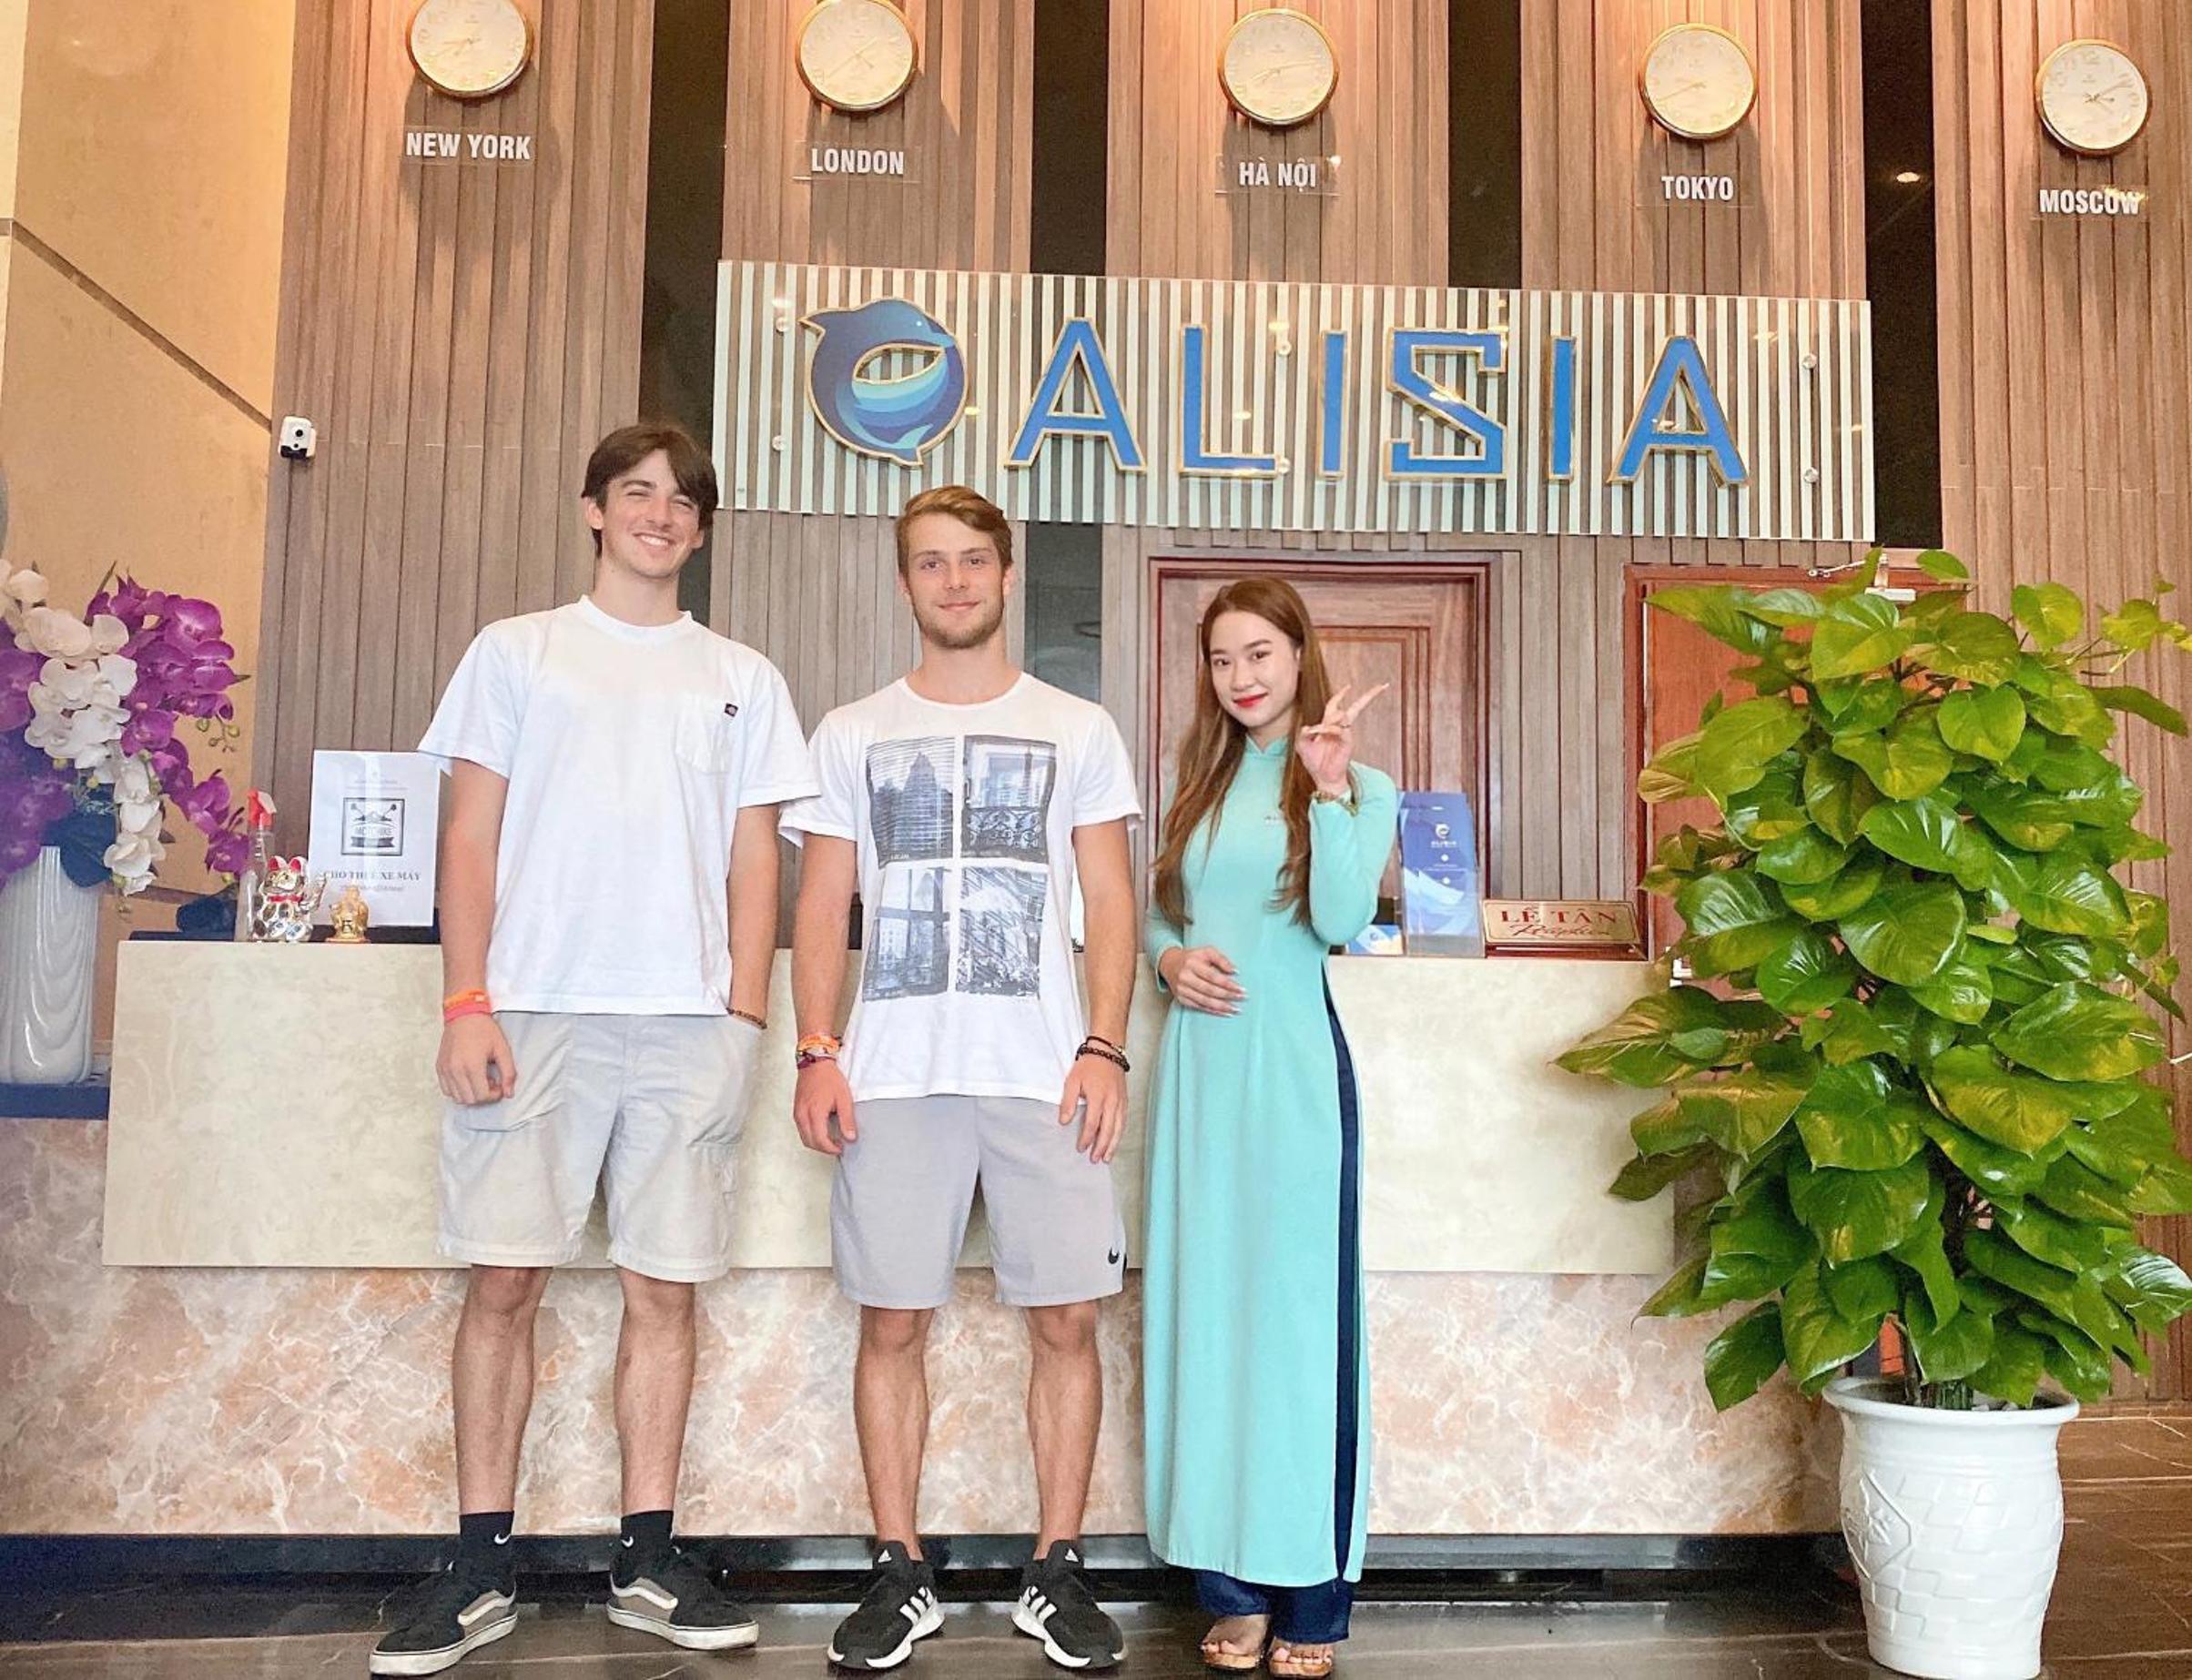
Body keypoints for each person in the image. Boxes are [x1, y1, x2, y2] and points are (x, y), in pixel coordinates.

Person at [370, 421, 817, 1675]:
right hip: (531, 1010)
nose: (658, 514)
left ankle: (647, 1560)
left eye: (682, 500)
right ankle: (480, 1566)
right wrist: (466, 1001)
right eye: (636, 492)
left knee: (663, 1289)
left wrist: (743, 1017)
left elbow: (754, 860)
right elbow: (469, 835)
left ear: (702, 528)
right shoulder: (518, 652)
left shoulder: (741, 676)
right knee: (503, 1282)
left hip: (686, 1021)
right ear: (593, 509)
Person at [782, 485, 1141, 1672]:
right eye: (931, 562)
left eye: (973, 559)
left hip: (1044, 1072)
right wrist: (817, 1048)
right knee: (891, 1320)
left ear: (1005, 574)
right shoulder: (850, 732)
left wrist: (1103, 1045)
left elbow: (1109, 900)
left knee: (1069, 1318)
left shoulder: (1076, 727)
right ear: (905, 582)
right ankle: (899, 1569)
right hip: (893, 1072)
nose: (953, 580)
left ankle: (1056, 1569)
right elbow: (821, 904)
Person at [1141, 577, 1397, 1680]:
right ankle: (1231, 1589)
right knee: (1210, 1323)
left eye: (1258, 653)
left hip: (1290, 1080)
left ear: (1298, 654)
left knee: (1296, 1334)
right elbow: (1161, 909)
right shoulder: (1199, 782)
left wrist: (1328, 791)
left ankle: (1312, 1600)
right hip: (1198, 1079)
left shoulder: (1360, 784)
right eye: (1221, 659)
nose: (1239, 677)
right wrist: (1166, 958)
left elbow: (1338, 919)